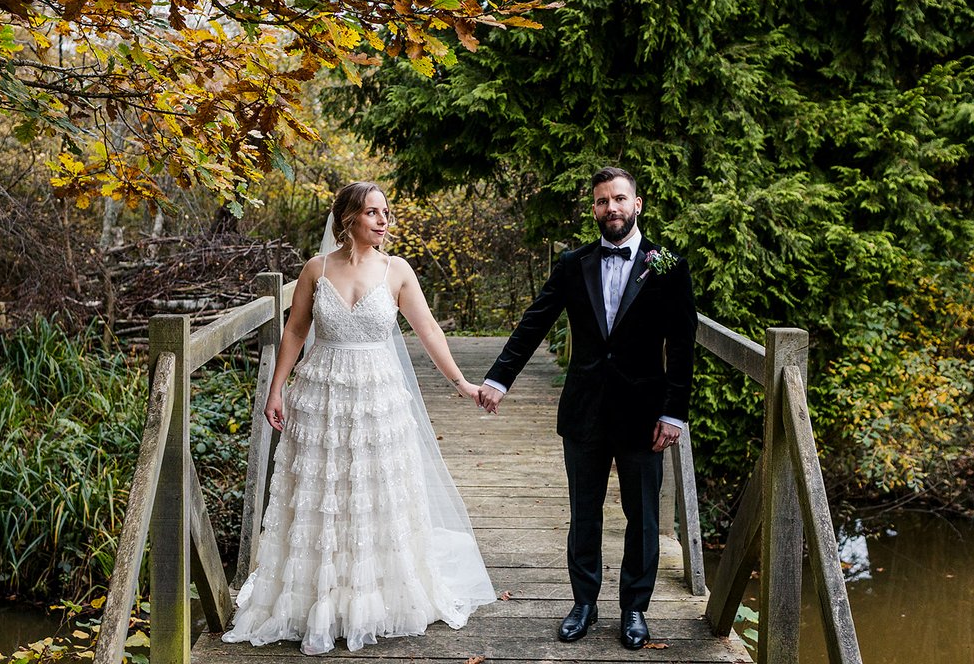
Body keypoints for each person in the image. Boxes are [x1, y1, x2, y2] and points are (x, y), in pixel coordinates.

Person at [223, 182, 495, 655]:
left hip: (377, 400)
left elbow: (427, 329)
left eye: (386, 212)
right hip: (321, 396)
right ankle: (316, 599)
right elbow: (296, 329)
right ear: (348, 219)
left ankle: (372, 600)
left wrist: (462, 384)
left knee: (372, 493)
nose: (383, 220)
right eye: (372, 213)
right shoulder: (316, 269)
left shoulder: (398, 271)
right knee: (322, 495)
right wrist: (276, 388)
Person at [477, 166, 697, 650]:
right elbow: (536, 321)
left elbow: (682, 345)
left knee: (643, 518)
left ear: (637, 205)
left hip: (644, 416)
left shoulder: (668, 266)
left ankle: (635, 609)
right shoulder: (574, 263)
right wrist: (499, 378)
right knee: (584, 513)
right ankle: (584, 603)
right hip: (585, 411)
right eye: (602, 201)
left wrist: (673, 412)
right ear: (593, 208)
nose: (611, 208)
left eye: (619, 199)